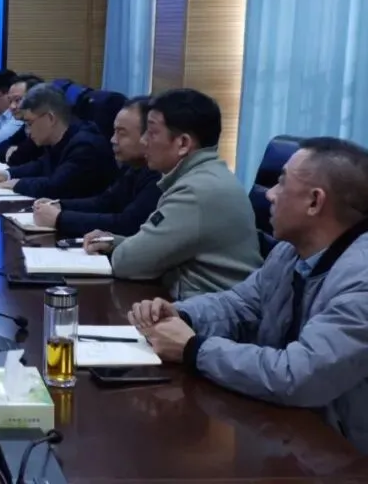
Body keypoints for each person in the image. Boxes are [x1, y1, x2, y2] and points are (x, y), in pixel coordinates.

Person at [128, 137, 368, 453]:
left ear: (314, 202)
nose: (269, 194)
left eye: (281, 183)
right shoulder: (288, 252)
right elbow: (240, 304)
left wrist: (193, 349)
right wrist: (182, 315)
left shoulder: (361, 280)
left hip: (345, 456)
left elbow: (297, 375)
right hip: (288, 434)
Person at [83, 88, 261, 298]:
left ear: (183, 143)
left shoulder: (195, 191)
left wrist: (121, 250)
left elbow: (128, 263)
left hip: (213, 313)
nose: (143, 141)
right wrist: (115, 242)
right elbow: (156, 250)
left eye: (152, 132)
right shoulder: (202, 177)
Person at [32, 96, 161, 236]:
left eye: (122, 133)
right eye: (114, 132)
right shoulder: (133, 166)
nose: (113, 140)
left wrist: (60, 218)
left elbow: (127, 224)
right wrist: (59, 205)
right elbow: (105, 202)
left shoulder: (159, 175)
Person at [0, 84, 117, 199]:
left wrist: (17, 184)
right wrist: (7, 174)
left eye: (30, 123)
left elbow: (56, 187)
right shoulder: (61, 138)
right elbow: (41, 165)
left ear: (50, 118)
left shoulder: (85, 146)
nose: (28, 131)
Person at [0, 73, 44, 166]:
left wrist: (16, 150)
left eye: (17, 100)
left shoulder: (43, 126)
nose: (12, 106)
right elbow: (1, 147)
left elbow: (18, 158)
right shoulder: (26, 125)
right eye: (10, 101)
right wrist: (10, 150)